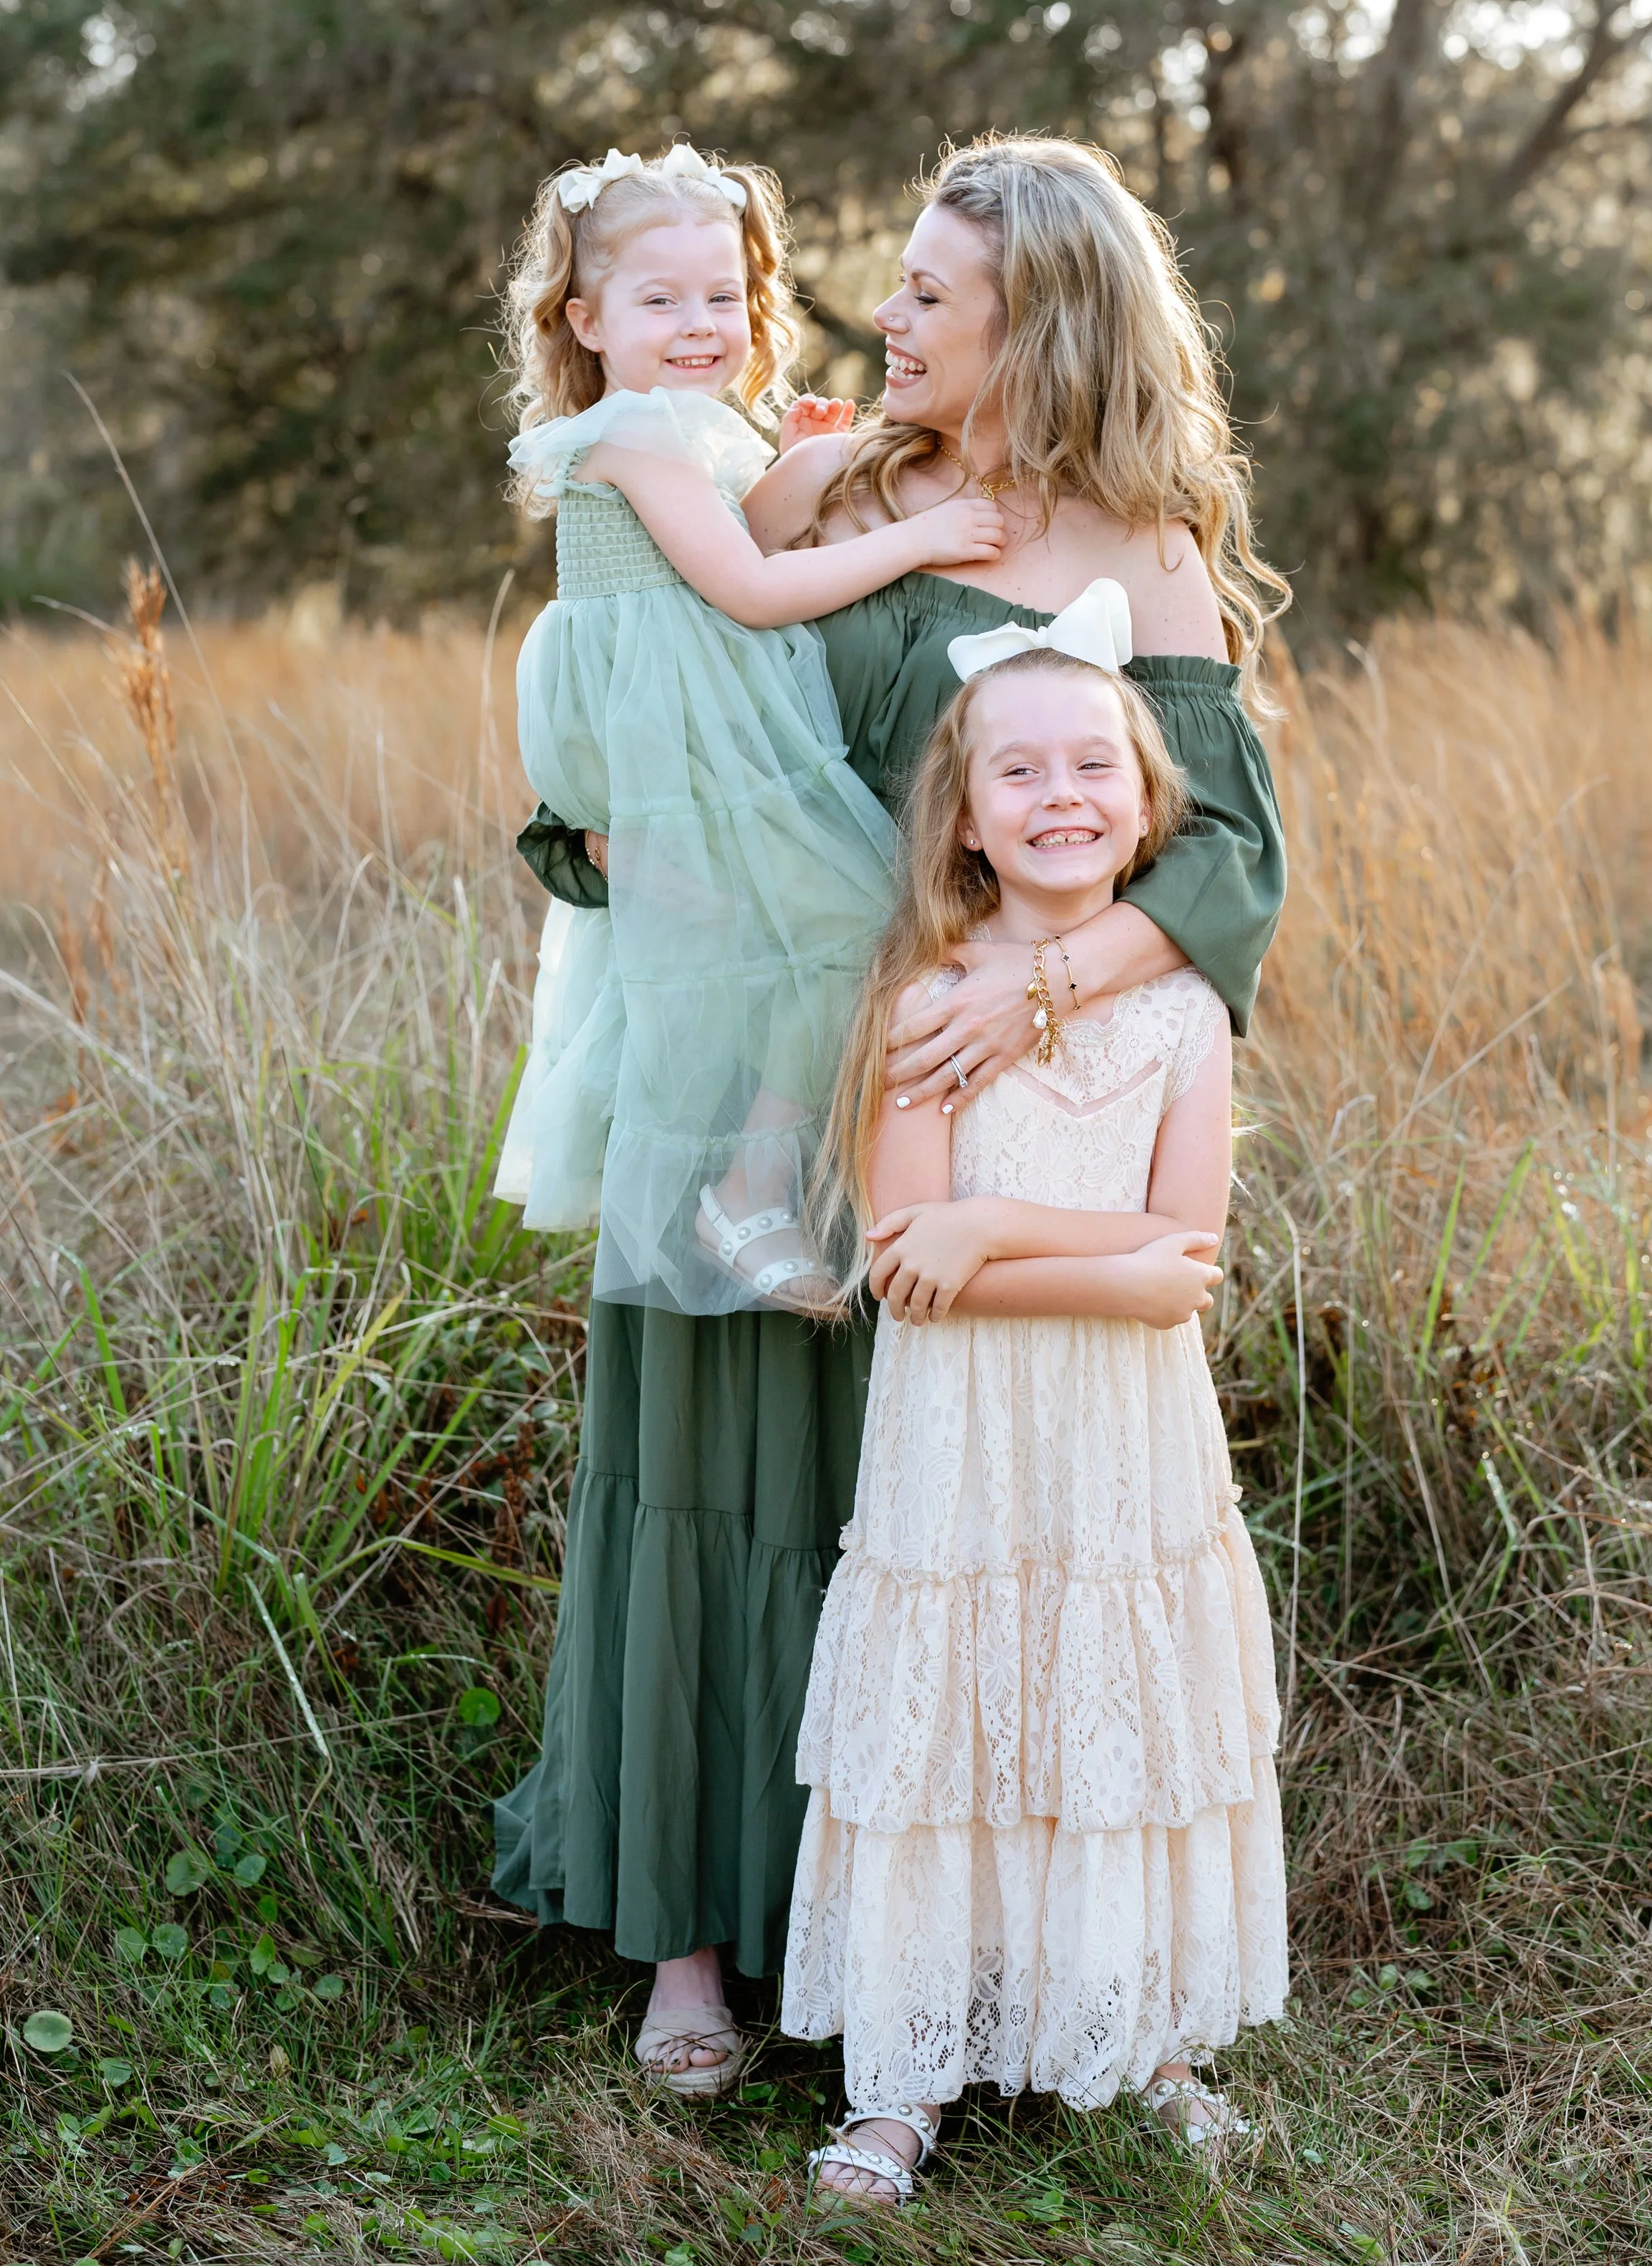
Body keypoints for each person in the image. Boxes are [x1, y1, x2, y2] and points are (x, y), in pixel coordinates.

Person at [499, 135, 1289, 2097]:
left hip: (966, 1116)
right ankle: (686, 1935)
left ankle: (944, 1949)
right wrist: (591, 835)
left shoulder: (1138, 553)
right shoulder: (818, 478)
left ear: (1041, 322)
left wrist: (1011, 991)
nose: (886, 313)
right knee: (709, 1464)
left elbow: (1225, 862)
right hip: (748, 1068)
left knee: (910, 1515)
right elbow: (642, 680)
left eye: (934, 292)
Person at [782, 629, 1288, 2205]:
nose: (1058, 794)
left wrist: (994, 1230)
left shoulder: (1180, 1015)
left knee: (1111, 1713)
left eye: (1092, 766)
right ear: (963, 815)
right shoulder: (922, 1002)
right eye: (1019, 769)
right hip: (964, 1447)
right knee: (951, 1720)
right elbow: (904, 1266)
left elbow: (1180, 1264)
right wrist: (1064, 1256)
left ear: (1143, 808)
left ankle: (1137, 2037)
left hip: (1125, 1443)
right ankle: (903, 2078)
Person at [490, 139, 1003, 1320]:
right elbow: (752, 590)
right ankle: (747, 1186)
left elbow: (748, 537)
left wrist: (805, 460)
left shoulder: (692, 432)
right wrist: (924, 535)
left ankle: (752, 1184)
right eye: (659, 299)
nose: (698, 322)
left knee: (803, 935)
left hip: (690, 718)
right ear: (585, 318)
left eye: (723, 295)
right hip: (666, 733)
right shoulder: (632, 434)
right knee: (848, 919)